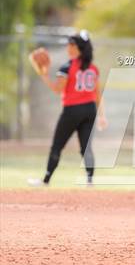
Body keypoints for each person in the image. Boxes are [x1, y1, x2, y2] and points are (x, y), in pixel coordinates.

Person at [27, 30, 107, 187]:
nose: (68, 48)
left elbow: (58, 89)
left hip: (72, 110)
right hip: (90, 110)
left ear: (78, 48)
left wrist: (44, 75)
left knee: (57, 145)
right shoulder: (93, 68)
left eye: (71, 45)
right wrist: (102, 116)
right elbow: (97, 95)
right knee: (86, 147)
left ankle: (46, 180)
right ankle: (90, 180)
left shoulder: (67, 67)